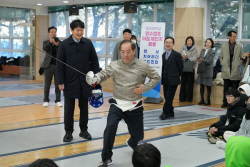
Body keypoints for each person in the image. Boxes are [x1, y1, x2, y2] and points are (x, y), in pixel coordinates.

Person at [86, 40, 160, 167]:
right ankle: (106, 158)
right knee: (110, 128)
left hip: (135, 105)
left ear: (134, 51)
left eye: (128, 52)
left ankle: (132, 142)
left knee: (138, 135)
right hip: (117, 104)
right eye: (122, 52)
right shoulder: (115, 64)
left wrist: (144, 88)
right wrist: (95, 79)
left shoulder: (142, 65)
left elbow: (156, 77)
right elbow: (104, 74)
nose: (125, 55)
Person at [57, 19, 101, 142]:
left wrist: (95, 76)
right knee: (69, 110)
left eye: (81, 30)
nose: (80, 32)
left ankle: (83, 130)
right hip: (69, 81)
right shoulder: (64, 44)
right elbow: (59, 65)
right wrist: (60, 81)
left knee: (84, 109)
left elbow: (94, 61)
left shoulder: (88, 43)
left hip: (85, 81)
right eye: (77, 30)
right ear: (71, 30)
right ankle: (68, 132)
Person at [159, 37, 183, 120]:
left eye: (170, 42)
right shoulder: (163, 55)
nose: (168, 44)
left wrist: (175, 75)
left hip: (173, 80)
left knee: (169, 97)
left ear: (173, 44)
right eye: (166, 42)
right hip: (165, 79)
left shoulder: (177, 55)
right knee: (166, 96)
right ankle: (171, 112)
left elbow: (181, 67)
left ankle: (165, 112)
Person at [219, 30, 244, 108]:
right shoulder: (224, 46)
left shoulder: (239, 47)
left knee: (234, 88)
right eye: (233, 36)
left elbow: (242, 58)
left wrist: (238, 64)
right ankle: (225, 102)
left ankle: (234, 103)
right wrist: (223, 63)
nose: (235, 38)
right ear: (229, 37)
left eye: (235, 36)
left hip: (235, 70)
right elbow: (220, 57)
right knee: (225, 88)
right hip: (226, 70)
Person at [41, 26, 62, 107]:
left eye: (54, 32)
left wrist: (57, 45)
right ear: (49, 33)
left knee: (58, 84)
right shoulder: (46, 42)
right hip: (48, 66)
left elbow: (62, 51)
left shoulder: (60, 42)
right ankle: (46, 100)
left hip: (58, 66)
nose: (53, 33)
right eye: (52, 32)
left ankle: (58, 100)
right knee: (47, 84)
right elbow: (45, 48)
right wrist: (50, 43)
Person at [179, 36, 199, 102]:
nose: (189, 42)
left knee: (190, 84)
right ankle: (182, 98)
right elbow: (179, 55)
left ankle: (189, 99)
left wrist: (188, 58)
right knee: (183, 84)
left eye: (190, 41)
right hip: (184, 67)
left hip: (191, 68)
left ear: (192, 42)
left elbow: (196, 57)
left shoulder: (195, 48)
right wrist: (183, 57)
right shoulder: (183, 47)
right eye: (188, 41)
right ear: (186, 41)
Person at [196, 38, 215, 105]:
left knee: (208, 86)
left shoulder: (212, 52)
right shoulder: (202, 50)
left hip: (208, 70)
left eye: (209, 43)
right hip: (202, 70)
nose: (207, 44)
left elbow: (209, 61)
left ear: (211, 44)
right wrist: (198, 59)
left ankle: (208, 100)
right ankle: (202, 99)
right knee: (202, 86)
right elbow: (200, 57)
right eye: (207, 42)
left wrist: (202, 60)